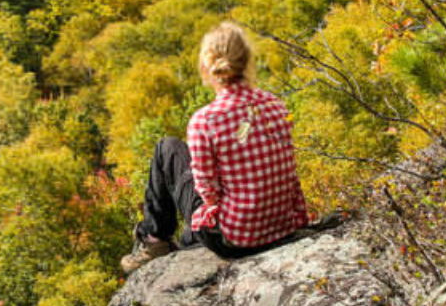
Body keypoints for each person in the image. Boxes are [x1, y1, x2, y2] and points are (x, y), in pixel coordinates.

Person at [121, 21, 310, 274]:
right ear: (247, 61)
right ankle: (175, 240)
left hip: (235, 240)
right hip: (283, 227)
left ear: (206, 66)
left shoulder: (205, 120)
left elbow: (208, 192)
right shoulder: (276, 105)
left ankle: (155, 240)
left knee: (168, 148)